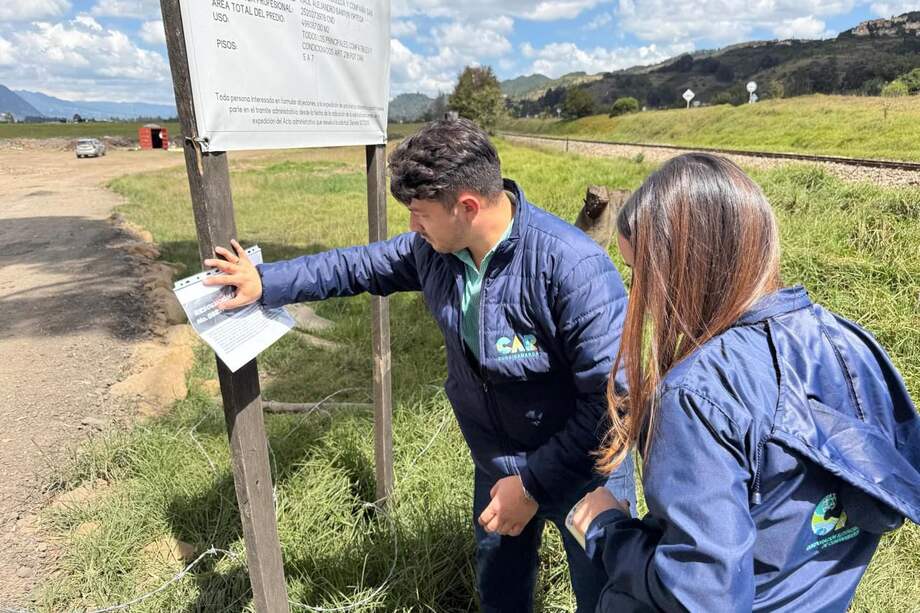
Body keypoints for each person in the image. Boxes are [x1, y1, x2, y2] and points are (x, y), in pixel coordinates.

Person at [203, 118, 637, 612]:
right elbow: (354, 266)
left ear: (468, 207)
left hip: (583, 467)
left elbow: (612, 405)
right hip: (497, 460)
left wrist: (534, 485)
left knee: (607, 596)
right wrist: (265, 281)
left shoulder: (571, 268)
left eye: (419, 213)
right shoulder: (435, 252)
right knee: (500, 592)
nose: (412, 226)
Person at [570, 153, 920, 612]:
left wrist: (607, 529)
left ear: (682, 268)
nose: (640, 296)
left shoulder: (695, 396)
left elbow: (702, 596)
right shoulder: (851, 342)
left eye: (641, 274)